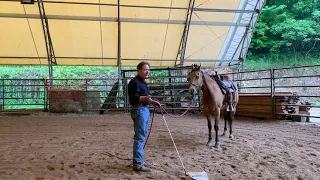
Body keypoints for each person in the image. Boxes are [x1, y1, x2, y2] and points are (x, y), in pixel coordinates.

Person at [128, 61, 161, 172]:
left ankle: (138, 160)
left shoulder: (143, 82)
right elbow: (134, 98)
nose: (148, 72)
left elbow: (145, 97)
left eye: (148, 70)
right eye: (145, 69)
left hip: (144, 109)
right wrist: (147, 97)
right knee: (140, 136)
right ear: (139, 70)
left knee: (141, 136)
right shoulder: (134, 82)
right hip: (139, 110)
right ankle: (137, 163)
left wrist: (152, 102)